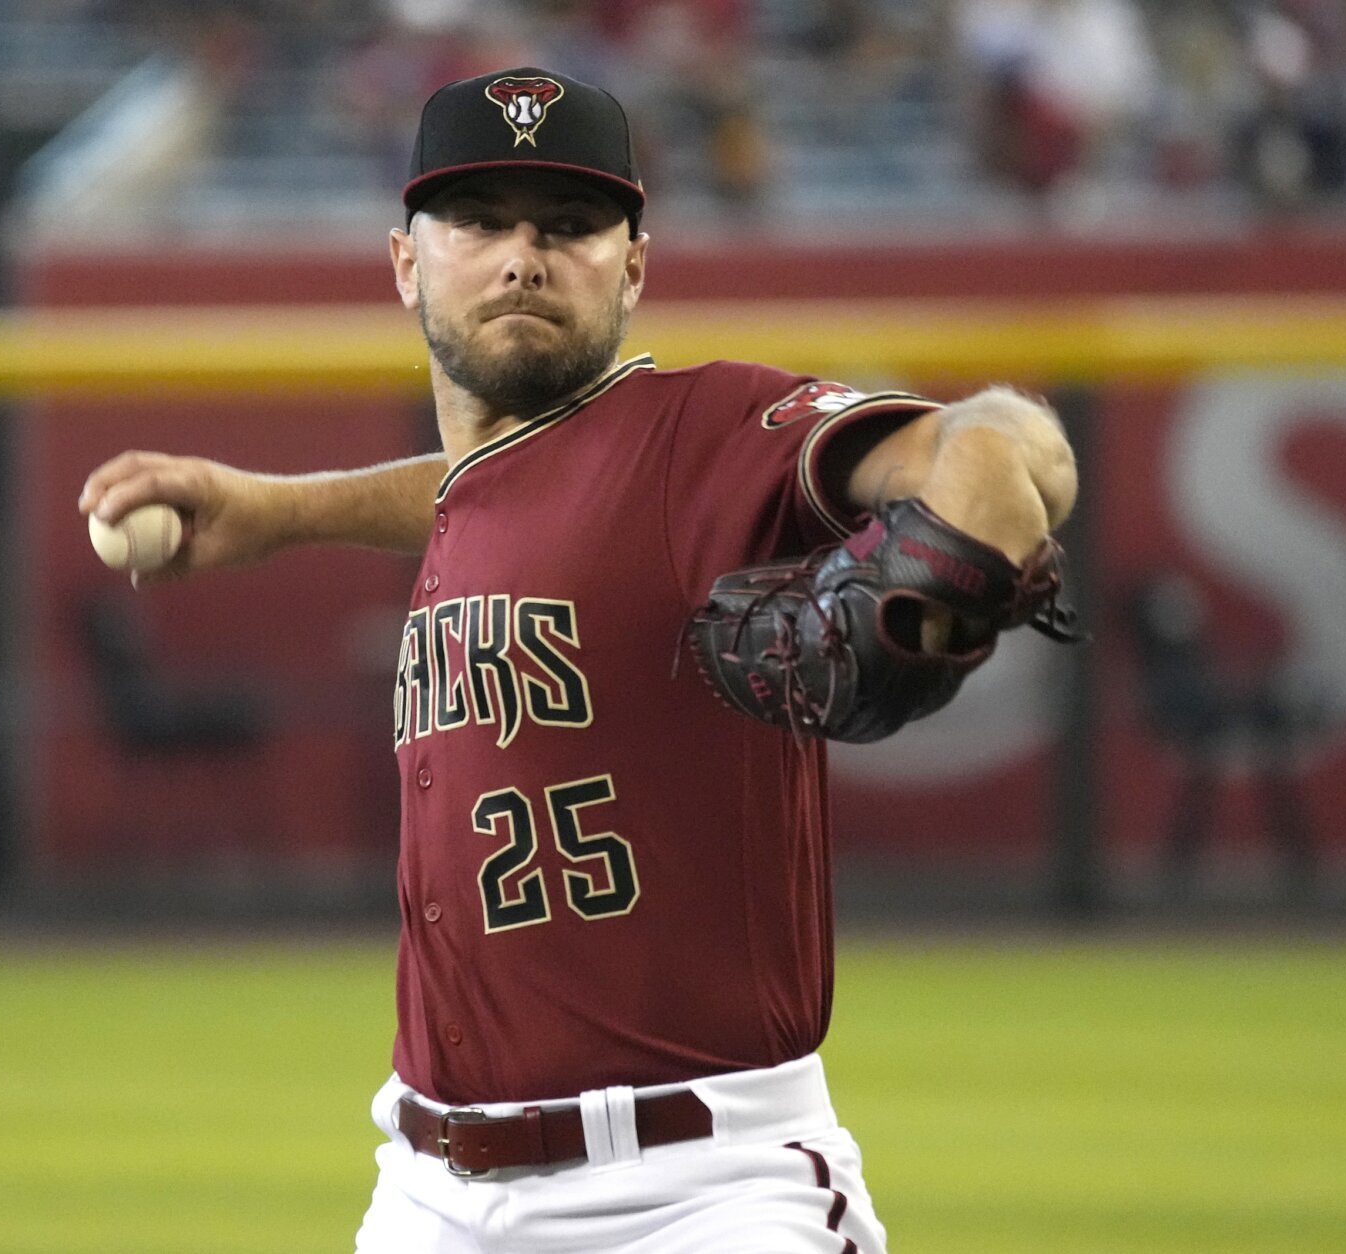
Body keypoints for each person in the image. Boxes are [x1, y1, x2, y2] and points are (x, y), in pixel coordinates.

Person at [80, 66, 1076, 1254]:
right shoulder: (494, 497)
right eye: (480, 220)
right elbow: (501, 503)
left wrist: (948, 571)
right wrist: (281, 510)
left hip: (705, 1191)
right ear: (406, 262)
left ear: (634, 267)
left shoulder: (701, 437)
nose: (522, 256)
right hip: (428, 1191)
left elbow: (1008, 452)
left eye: (567, 225)